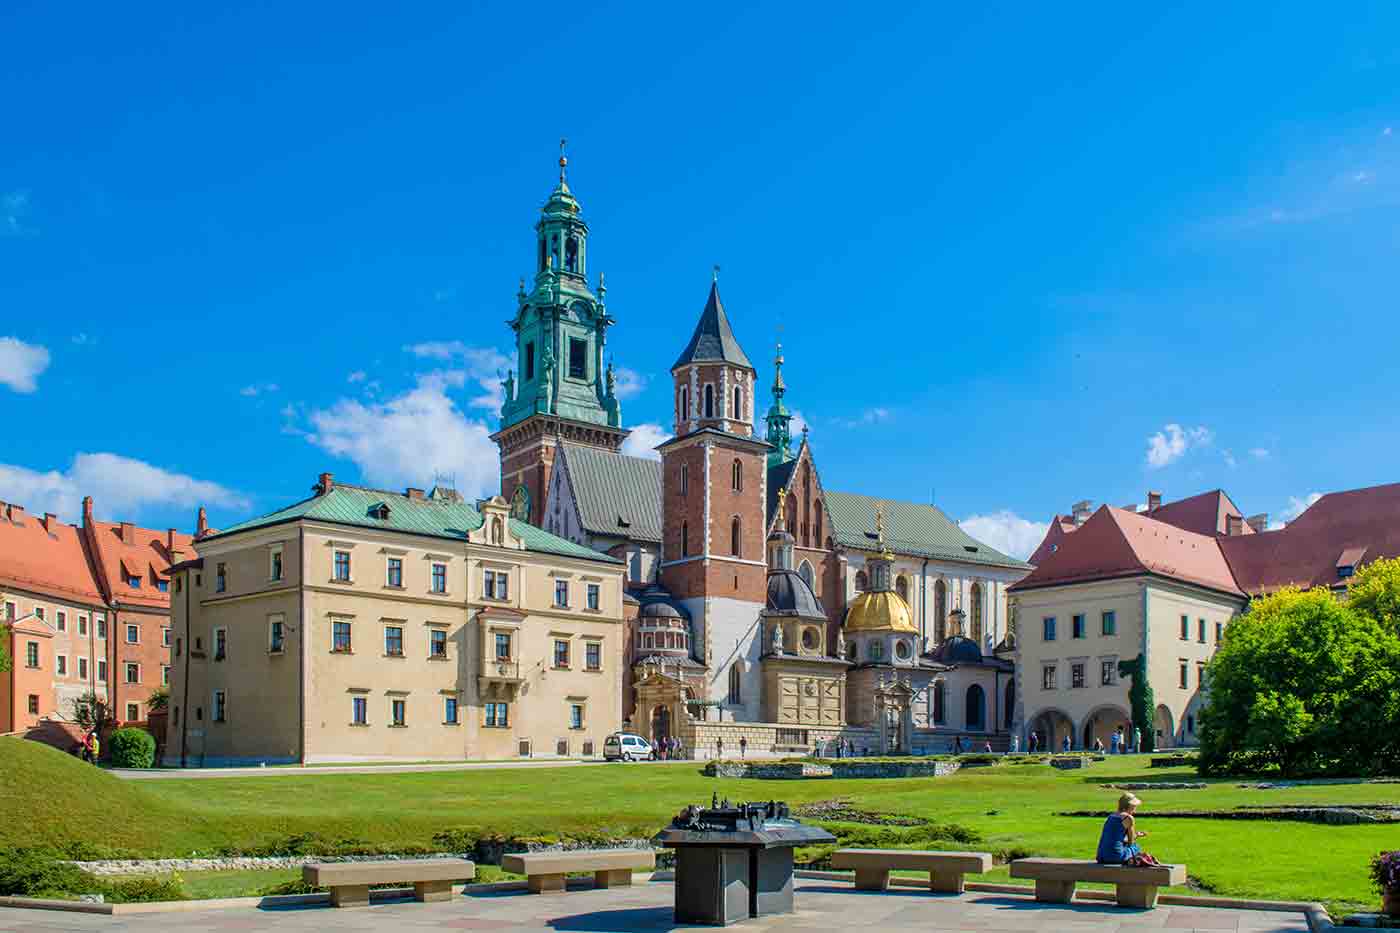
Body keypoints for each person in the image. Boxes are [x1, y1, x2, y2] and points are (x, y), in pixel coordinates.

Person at [1096, 793, 1148, 864]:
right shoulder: (1128, 818)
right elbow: (1131, 842)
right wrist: (1137, 835)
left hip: (1101, 856)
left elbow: (1116, 839)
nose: (1134, 810)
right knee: (1136, 847)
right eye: (1134, 807)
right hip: (1115, 857)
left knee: (1124, 846)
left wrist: (1135, 834)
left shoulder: (1111, 816)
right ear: (1129, 806)